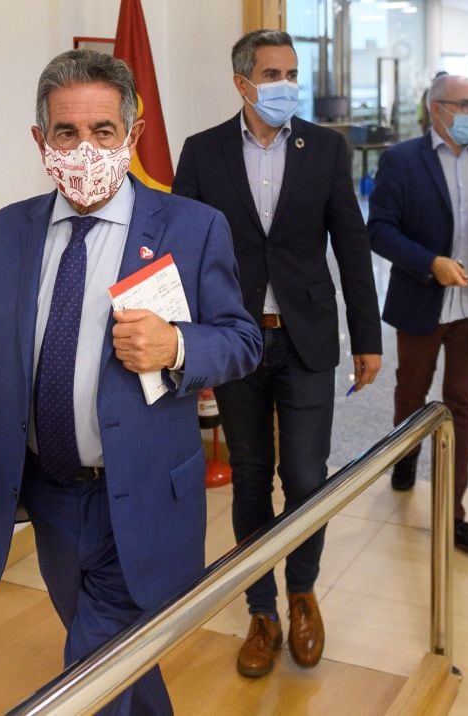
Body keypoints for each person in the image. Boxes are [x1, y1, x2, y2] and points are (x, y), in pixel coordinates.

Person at [0, 49, 261, 715]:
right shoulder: (5, 234)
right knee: (118, 656)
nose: (84, 149)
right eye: (66, 133)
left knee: (90, 676)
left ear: (132, 135)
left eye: (103, 131)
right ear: (40, 140)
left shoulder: (192, 229)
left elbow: (243, 341)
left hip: (141, 493)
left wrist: (177, 344)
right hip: (48, 496)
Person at [173, 29, 382, 679]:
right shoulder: (202, 152)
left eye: (293, 71)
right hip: (234, 340)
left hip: (307, 338)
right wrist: (188, 346)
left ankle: (302, 593)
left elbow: (351, 246)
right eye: (272, 73)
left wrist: (368, 338)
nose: (286, 83)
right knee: (251, 476)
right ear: (242, 82)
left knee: (307, 476)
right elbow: (180, 254)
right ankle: (261, 609)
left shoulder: (324, 147)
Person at [368, 74, 468, 555]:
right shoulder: (400, 160)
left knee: (462, 403)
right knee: (411, 393)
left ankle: (452, 511)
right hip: (422, 299)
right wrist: (427, 263)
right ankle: (405, 454)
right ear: (436, 109)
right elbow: (380, 230)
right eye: (464, 104)